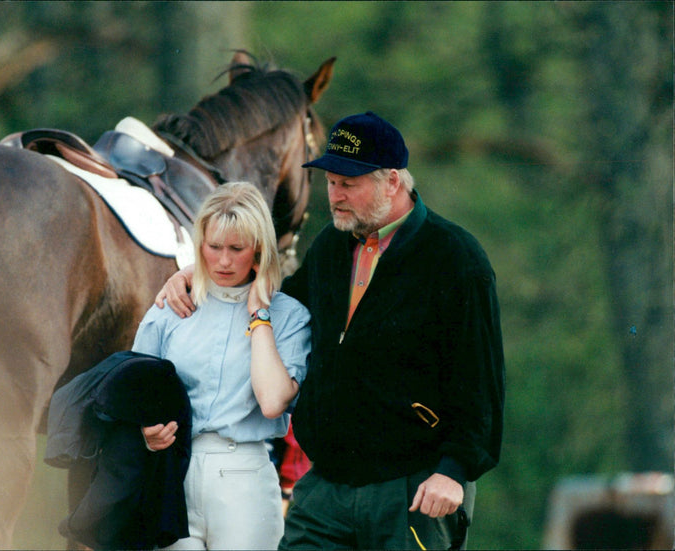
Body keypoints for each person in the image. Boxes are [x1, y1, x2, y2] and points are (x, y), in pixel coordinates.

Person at [157, 112, 505, 550]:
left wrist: (454, 471)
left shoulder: (455, 258)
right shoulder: (331, 247)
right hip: (324, 489)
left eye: (348, 184)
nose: (335, 196)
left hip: (414, 488)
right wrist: (198, 275)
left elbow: (482, 382)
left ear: (392, 182)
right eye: (330, 182)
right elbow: (274, 302)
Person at [132, 181, 311, 550]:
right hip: (171, 473)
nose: (224, 261)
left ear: (258, 248)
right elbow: (133, 393)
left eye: (236, 248)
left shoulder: (289, 316)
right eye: (214, 247)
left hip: (244, 476)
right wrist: (142, 431)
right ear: (199, 245)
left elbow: (273, 401)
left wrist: (259, 314)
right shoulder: (171, 306)